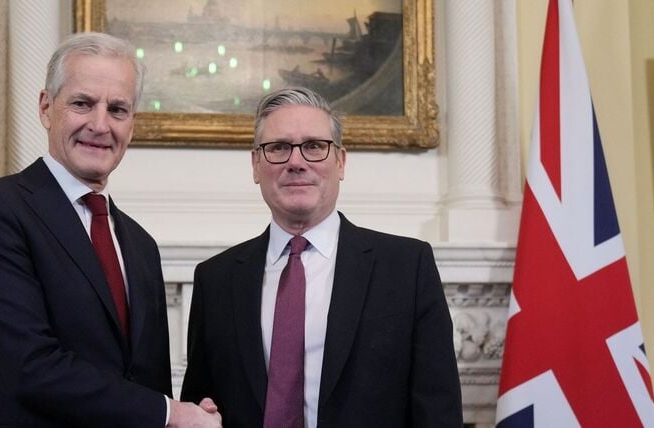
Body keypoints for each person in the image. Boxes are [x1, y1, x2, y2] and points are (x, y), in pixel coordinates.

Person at [0, 32, 220, 427]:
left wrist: (184, 416)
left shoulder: (140, 244)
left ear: (132, 125)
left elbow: (146, 382)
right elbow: (30, 367)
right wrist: (172, 413)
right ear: (46, 108)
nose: (100, 124)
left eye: (117, 109)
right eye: (82, 103)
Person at [181, 87, 462, 427]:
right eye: (278, 148)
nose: (296, 162)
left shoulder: (406, 267)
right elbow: (198, 406)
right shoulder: (216, 279)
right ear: (256, 165)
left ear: (340, 161)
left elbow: (437, 408)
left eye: (314, 146)